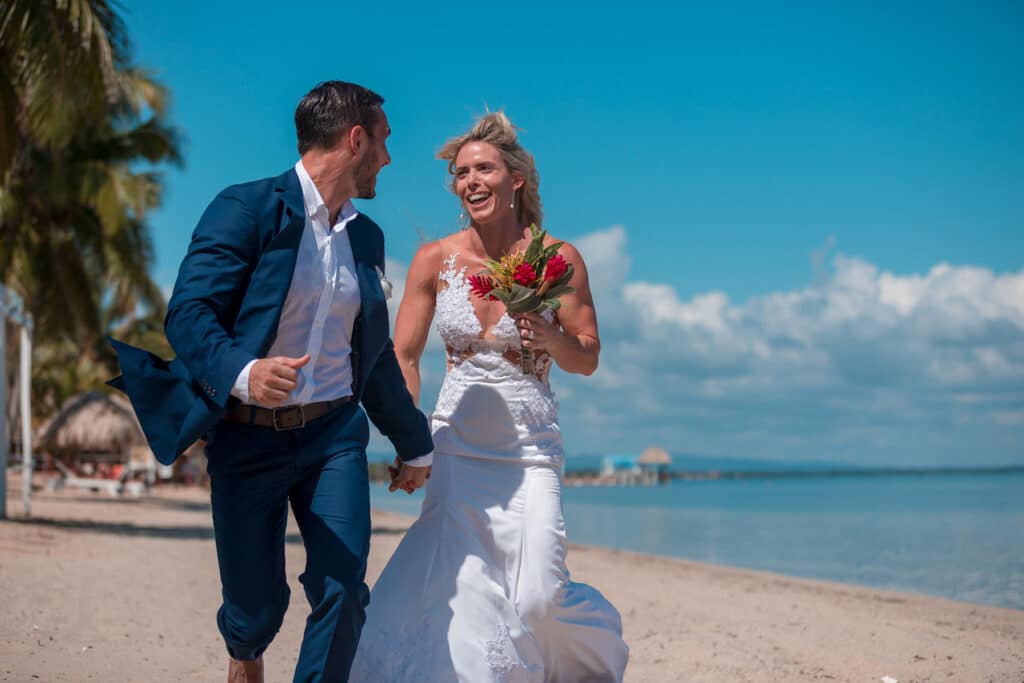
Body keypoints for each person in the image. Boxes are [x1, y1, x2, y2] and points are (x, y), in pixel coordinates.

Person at [109, 81, 434, 683]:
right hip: (246, 437)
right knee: (254, 608)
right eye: (384, 141)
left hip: (333, 437)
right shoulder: (246, 209)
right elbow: (189, 314)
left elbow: (373, 355)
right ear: (355, 140)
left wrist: (414, 444)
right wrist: (245, 373)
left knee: (343, 587)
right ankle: (245, 652)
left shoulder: (367, 237)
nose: (389, 158)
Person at [350, 112, 629, 682]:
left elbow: (588, 356)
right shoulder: (435, 259)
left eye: (484, 169)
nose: (471, 181)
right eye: (461, 173)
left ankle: (586, 664)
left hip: (529, 453)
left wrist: (551, 337)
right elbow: (404, 356)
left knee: (539, 599)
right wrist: (409, 441)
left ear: (515, 179)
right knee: (464, 599)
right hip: (455, 448)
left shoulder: (558, 260)